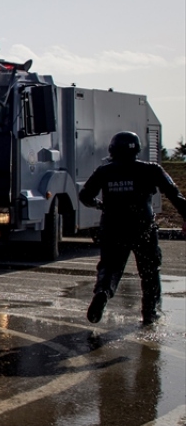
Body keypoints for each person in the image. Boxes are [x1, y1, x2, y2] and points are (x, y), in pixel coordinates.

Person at [79, 132, 186, 325]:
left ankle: (103, 292)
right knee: (150, 271)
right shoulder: (151, 169)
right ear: (137, 149)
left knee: (110, 267)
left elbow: (84, 196)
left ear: (112, 150)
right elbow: (175, 195)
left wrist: (100, 204)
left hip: (112, 227)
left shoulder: (104, 171)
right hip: (142, 227)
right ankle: (149, 313)